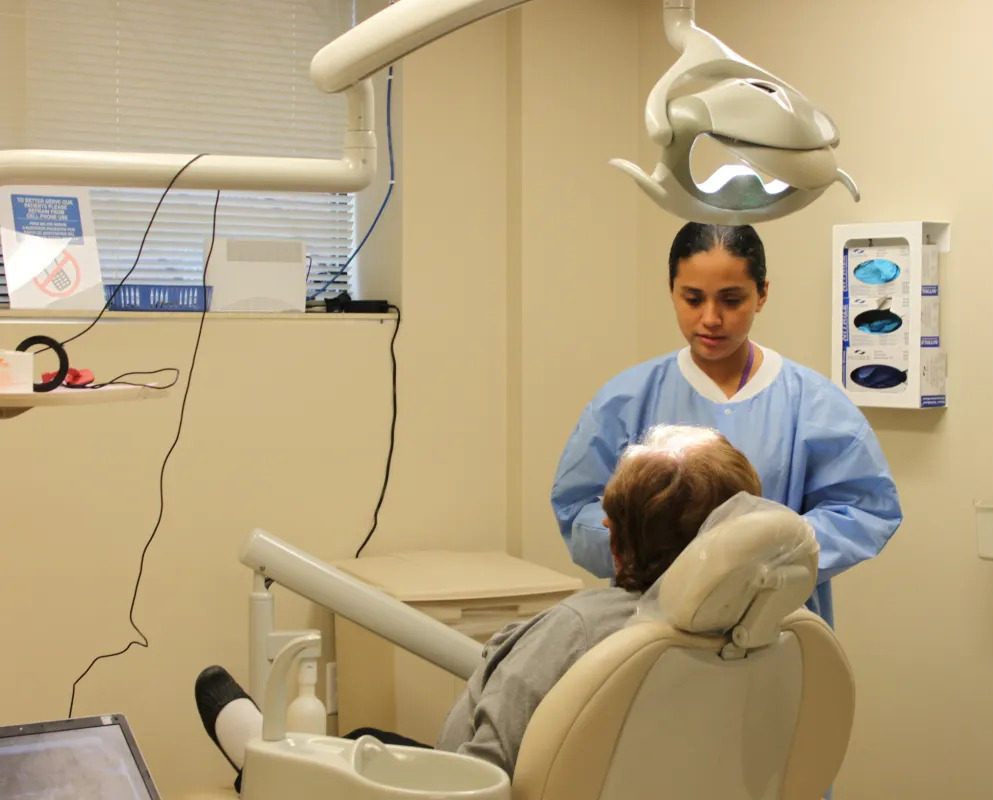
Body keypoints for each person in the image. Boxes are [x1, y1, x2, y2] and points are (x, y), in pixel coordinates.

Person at [195, 424, 763, 787]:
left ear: (614, 541)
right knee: (368, 738)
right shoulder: (757, 637)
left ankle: (260, 765)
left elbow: (482, 776)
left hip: (455, 785)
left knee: (317, 760)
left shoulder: (580, 630)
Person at [551, 221, 903, 631]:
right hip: (651, 635)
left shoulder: (812, 403)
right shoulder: (626, 400)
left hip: (771, 629)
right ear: (671, 290)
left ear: (762, 294)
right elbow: (577, 509)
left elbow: (865, 508)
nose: (711, 318)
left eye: (731, 300)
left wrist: (758, 555)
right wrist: (646, 547)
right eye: (693, 298)